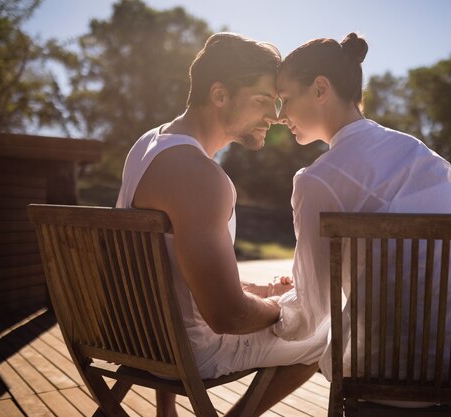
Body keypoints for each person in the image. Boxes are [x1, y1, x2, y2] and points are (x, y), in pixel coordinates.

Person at [274, 33, 451, 405]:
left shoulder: (316, 180)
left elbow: (312, 312)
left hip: (394, 374)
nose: (279, 115)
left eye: (285, 98)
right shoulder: (419, 153)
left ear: (320, 88)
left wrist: (269, 306)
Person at [116, 32, 328, 417]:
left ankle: (168, 412)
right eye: (263, 99)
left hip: (135, 339)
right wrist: (283, 308)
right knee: (322, 333)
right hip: (189, 351)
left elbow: (170, 272)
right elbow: (227, 316)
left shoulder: (149, 145)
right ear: (220, 95)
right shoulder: (200, 176)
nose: (276, 116)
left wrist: (259, 290)